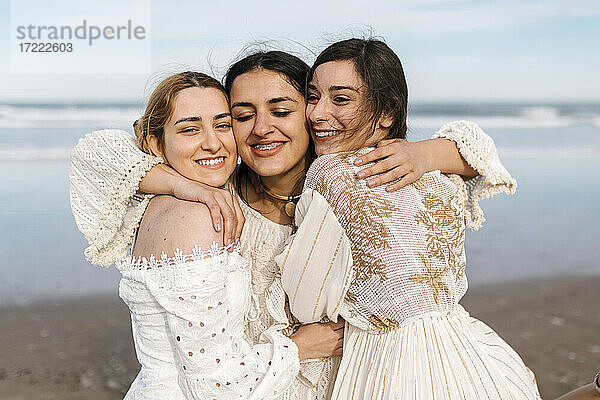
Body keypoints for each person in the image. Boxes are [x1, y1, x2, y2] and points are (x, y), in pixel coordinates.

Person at [70, 49, 508, 398]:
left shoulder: (355, 186)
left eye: (281, 110)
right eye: (241, 116)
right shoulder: (218, 203)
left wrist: (427, 153)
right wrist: (189, 187)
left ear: (310, 113)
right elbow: (99, 155)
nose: (262, 128)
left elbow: (477, 151)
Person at [267, 38, 540, 399]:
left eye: (341, 99)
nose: (317, 113)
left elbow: (307, 300)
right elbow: (480, 153)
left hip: (390, 364)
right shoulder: (439, 178)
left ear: (387, 113)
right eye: (314, 96)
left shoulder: (328, 173)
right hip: (467, 350)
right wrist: (429, 153)